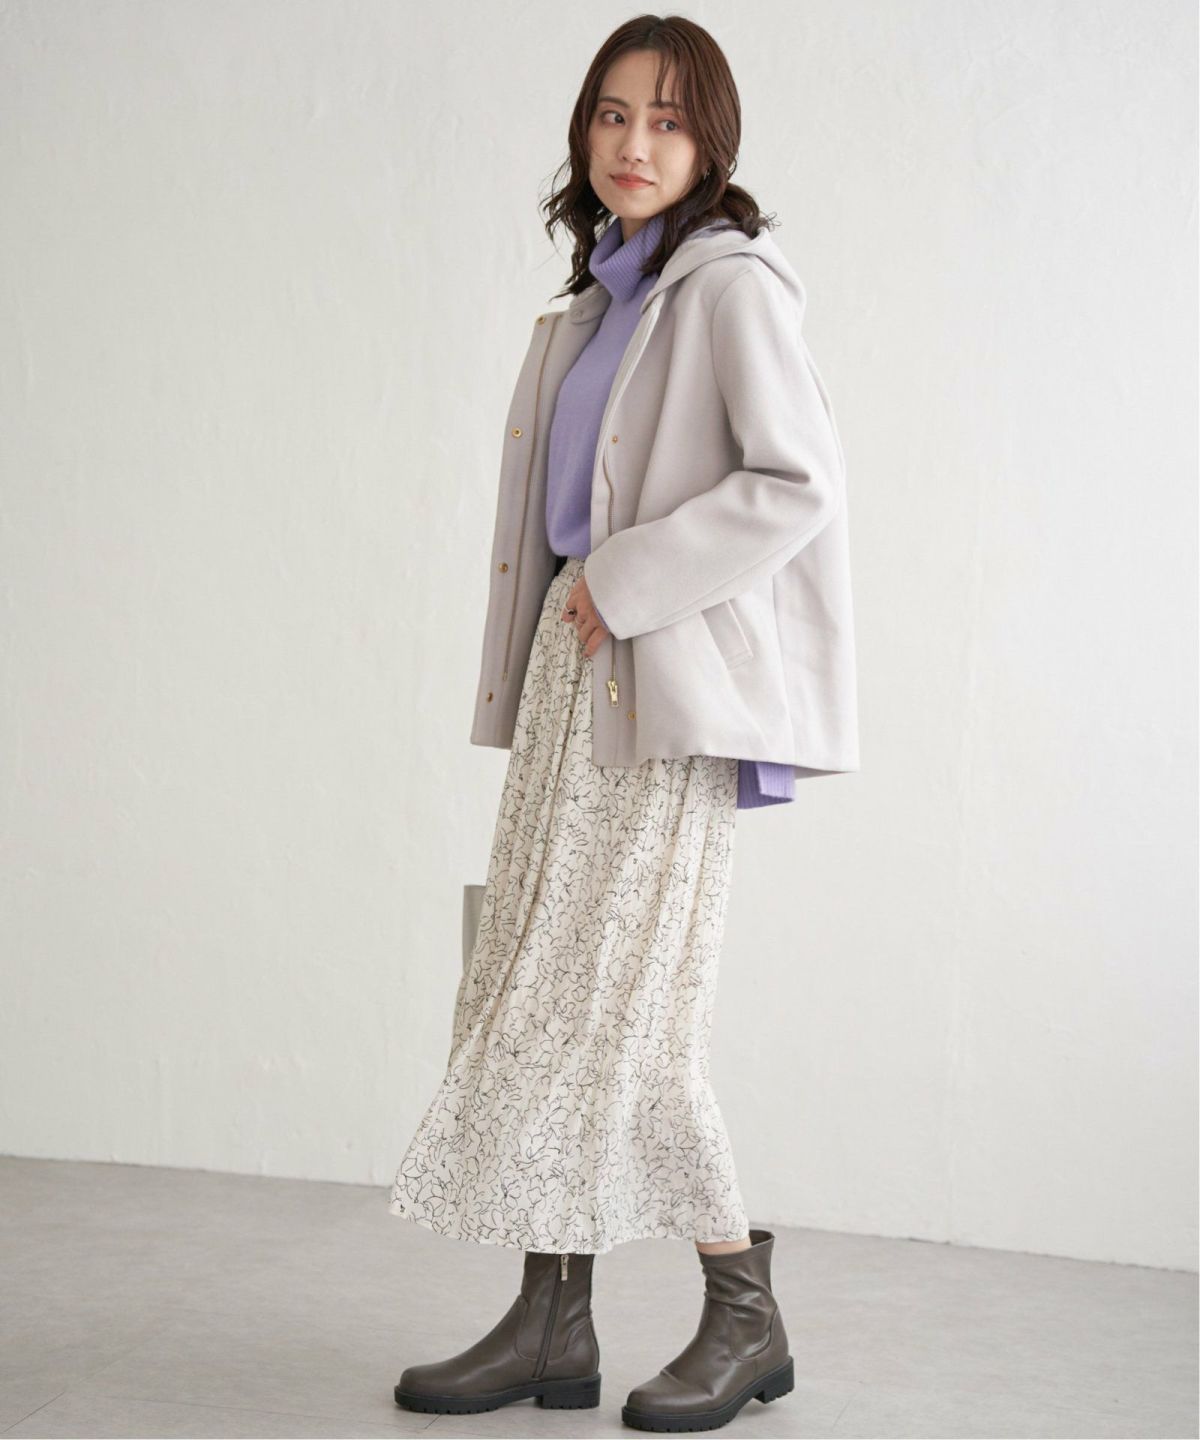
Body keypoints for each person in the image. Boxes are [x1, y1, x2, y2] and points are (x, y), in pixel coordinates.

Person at [387, 13, 858, 1433]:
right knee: (533, 992)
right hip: (572, 677)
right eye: (610, 114)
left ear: (710, 141)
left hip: (657, 693)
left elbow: (796, 482)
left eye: (664, 118)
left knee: (633, 1018)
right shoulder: (598, 301)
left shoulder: (730, 289)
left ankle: (744, 1313)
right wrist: (572, 609)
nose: (632, 143)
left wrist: (626, 578)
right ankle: (554, 1322)